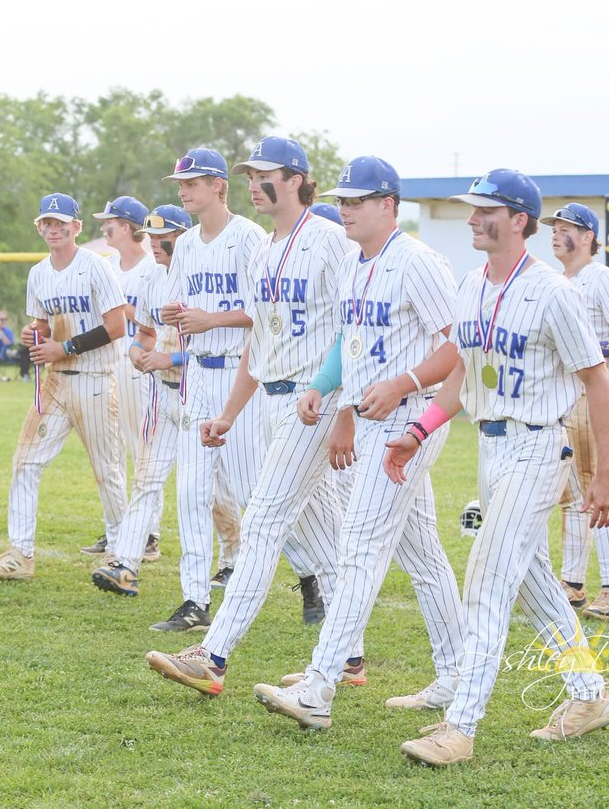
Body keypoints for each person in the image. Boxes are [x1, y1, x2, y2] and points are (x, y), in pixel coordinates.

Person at [384, 169, 609, 766]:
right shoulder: (471, 285)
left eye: (486, 209)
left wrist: (606, 472)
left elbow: (596, 381)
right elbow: (464, 371)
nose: (472, 218)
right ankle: (591, 695)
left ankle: (459, 726)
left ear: (519, 219)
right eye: (472, 208)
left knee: (487, 579)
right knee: (536, 584)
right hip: (491, 448)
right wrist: (419, 429)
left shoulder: (553, 292)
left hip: (538, 446)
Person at [251, 156, 465, 730]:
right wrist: (332, 397)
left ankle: (320, 687)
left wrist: (405, 383)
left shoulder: (418, 261)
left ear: (388, 204)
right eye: (342, 199)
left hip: (411, 419)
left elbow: (461, 347)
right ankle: (458, 672)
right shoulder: (355, 264)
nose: (344, 208)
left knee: (359, 548)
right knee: (422, 554)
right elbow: (351, 344)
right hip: (369, 416)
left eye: (357, 200)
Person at [146, 136, 348, 689]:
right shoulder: (266, 251)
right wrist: (231, 414)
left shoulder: (330, 240)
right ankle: (349, 655)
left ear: (295, 179)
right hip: (262, 393)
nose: (256, 183)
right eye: (251, 174)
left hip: (317, 397)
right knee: (338, 534)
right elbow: (262, 342)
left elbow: (356, 327)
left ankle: (213, 655)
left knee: (259, 522)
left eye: (265, 175)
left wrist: (344, 399)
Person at [0, 193, 127, 580]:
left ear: (76, 227)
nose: (53, 229)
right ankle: (20, 554)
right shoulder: (39, 272)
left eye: (61, 223)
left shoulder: (96, 266)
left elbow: (116, 326)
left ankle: (120, 552)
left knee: (107, 470)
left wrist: (67, 346)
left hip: (94, 378)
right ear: (39, 227)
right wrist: (33, 334)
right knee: (25, 462)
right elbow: (42, 326)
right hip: (56, 383)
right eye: (47, 223)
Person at [91, 204, 242, 596]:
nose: (157, 245)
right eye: (153, 238)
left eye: (165, 239)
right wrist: (139, 352)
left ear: (183, 237)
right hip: (163, 396)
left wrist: (169, 357)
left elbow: (221, 347)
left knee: (220, 489)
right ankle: (125, 563)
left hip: (206, 392)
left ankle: (233, 560)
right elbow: (144, 332)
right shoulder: (153, 279)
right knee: (147, 478)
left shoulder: (200, 276)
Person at [542, 203, 609, 620]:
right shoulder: (555, 282)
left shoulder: (603, 278)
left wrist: (594, 350)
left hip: (599, 393)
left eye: (565, 227)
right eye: (553, 227)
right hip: (564, 397)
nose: (555, 233)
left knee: (598, 488)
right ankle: (573, 583)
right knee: (571, 493)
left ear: (587, 236)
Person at [79, 196, 157, 555]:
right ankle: (125, 525)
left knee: (143, 447)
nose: (104, 227)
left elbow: (148, 318)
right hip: (110, 365)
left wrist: (118, 304)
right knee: (116, 449)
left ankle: (148, 533)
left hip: (140, 365)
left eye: (110, 222)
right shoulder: (109, 265)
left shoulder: (153, 267)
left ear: (127, 226)